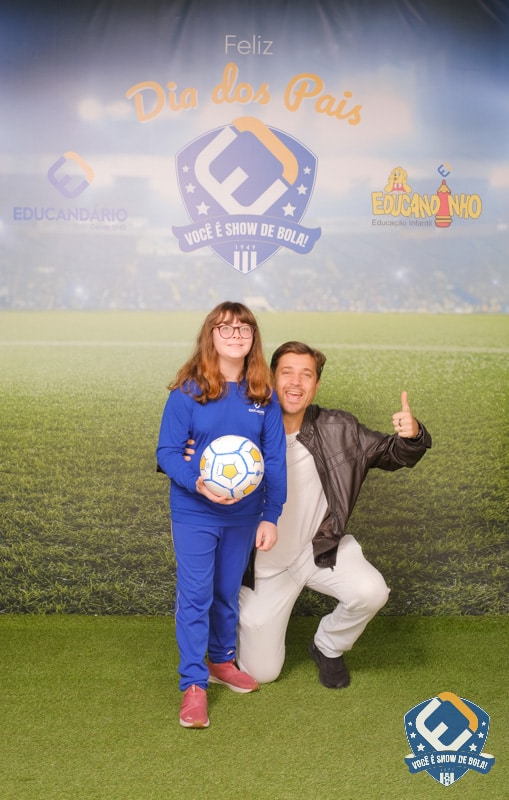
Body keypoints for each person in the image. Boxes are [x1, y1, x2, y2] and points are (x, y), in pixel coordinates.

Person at [236, 341, 432, 689]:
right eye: (287, 373)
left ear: (316, 385)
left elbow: (392, 453)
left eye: (306, 375)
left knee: (371, 591)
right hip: (264, 568)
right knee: (260, 673)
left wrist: (412, 435)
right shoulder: (242, 427)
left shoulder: (339, 427)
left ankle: (328, 645)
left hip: (318, 550)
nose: (296, 382)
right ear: (271, 378)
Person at [156, 302, 286, 728]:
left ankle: (221, 661)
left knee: (227, 591)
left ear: (253, 339)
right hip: (194, 511)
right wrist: (196, 481)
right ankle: (194, 684)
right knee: (196, 595)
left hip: (244, 516)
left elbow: (274, 459)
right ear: (210, 335)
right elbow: (167, 453)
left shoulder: (262, 395)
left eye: (244, 328)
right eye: (225, 328)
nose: (235, 335)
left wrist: (271, 514)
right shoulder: (188, 392)